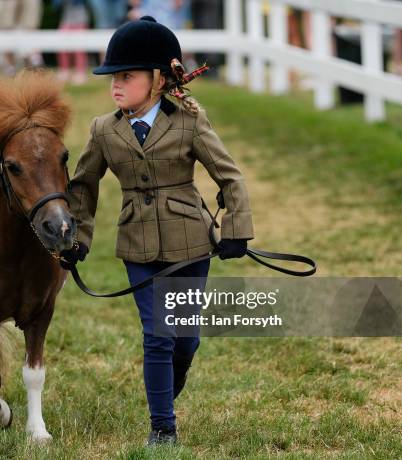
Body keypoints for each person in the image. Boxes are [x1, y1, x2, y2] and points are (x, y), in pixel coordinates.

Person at [61, 16, 254, 446]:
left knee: (184, 340)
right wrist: (76, 238)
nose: (115, 85)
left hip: (190, 241)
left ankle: (169, 382)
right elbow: (83, 185)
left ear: (159, 79)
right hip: (137, 244)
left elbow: (229, 176)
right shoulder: (104, 130)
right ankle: (162, 428)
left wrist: (236, 228)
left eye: (126, 76)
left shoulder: (188, 120)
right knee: (158, 335)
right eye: (113, 77)